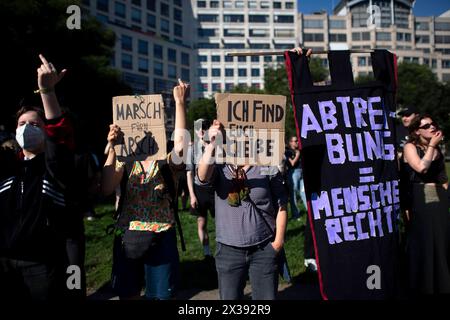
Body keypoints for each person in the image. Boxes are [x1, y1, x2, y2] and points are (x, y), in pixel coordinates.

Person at [101, 79, 189, 300]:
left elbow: (180, 146)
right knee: (127, 294)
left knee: (160, 296)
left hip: (161, 239)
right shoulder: (125, 161)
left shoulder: (167, 162)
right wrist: (112, 148)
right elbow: (106, 187)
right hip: (128, 237)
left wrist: (179, 103)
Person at [0, 54, 75, 300]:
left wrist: (46, 91)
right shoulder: (7, 169)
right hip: (5, 262)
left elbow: (59, 134)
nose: (26, 128)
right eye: (21, 123)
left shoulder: (55, 167)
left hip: (43, 265)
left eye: (34, 124)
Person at [198, 120, 288, 300]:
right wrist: (211, 146)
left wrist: (277, 244)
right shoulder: (220, 165)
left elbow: (282, 205)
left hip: (264, 248)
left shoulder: (266, 163)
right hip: (229, 250)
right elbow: (202, 177)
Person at [403, 115, 450, 295]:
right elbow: (421, 168)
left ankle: (442, 284)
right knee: (426, 241)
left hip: (439, 198)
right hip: (422, 197)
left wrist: (444, 195)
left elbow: (443, 178)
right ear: (417, 131)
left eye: (433, 124)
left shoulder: (436, 149)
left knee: (441, 240)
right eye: (426, 125)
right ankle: (425, 285)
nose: (432, 127)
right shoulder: (410, 147)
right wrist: (431, 146)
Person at [186, 119, 215, 260]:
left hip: (215, 189)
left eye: (204, 127)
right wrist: (192, 195)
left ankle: (225, 249)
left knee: (222, 221)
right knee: (201, 222)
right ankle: (207, 252)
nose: (201, 131)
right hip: (199, 190)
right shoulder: (192, 149)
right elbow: (189, 173)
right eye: (198, 128)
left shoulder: (217, 146)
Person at [285, 136, 307, 220]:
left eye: (297, 141)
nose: (297, 142)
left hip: (301, 172)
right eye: (295, 141)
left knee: (303, 192)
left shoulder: (299, 150)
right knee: (293, 194)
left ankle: (309, 210)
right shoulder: (288, 152)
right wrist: (297, 155)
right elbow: (292, 163)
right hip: (293, 173)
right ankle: (296, 215)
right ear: (290, 142)